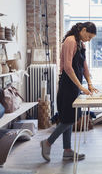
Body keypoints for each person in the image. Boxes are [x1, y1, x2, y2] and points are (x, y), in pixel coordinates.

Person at [40, 22, 98, 162]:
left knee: (70, 119)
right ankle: (47, 143)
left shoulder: (81, 44)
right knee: (68, 119)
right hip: (67, 85)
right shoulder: (70, 41)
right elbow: (67, 67)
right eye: (88, 36)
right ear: (83, 30)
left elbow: (84, 67)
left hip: (75, 86)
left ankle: (67, 151)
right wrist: (81, 86)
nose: (88, 40)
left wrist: (89, 84)